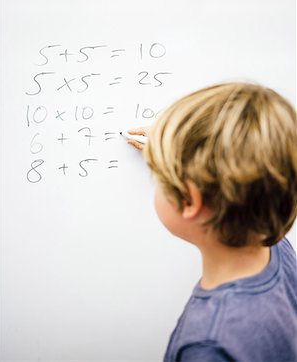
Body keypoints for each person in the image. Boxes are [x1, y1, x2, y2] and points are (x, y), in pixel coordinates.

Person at [127, 82, 297, 362]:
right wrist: (177, 149)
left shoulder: (209, 345)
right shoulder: (273, 244)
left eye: (160, 176)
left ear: (189, 200)